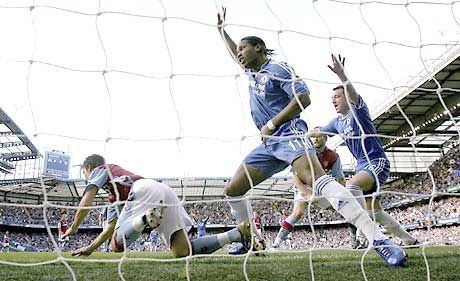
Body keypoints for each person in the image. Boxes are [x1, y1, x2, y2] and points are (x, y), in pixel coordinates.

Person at [216, 8, 407, 266]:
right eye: (237, 49)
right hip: (269, 143)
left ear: (259, 48)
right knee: (233, 190)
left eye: (243, 48)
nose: (238, 53)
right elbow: (232, 54)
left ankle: (379, 240)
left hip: (289, 133)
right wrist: (221, 31)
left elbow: (303, 98)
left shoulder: (277, 68)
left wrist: (272, 123)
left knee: (319, 181)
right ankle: (251, 239)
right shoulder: (252, 72)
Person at [316, 54, 418, 247]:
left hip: (376, 162)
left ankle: (366, 236)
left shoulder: (358, 111)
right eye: (332, 98)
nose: (334, 101)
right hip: (362, 166)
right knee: (376, 212)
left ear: (347, 97)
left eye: (337, 97)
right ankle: (409, 240)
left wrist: (342, 76)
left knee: (351, 186)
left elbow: (353, 93)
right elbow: (318, 132)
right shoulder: (337, 122)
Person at [63, 154, 252, 257]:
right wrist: (90, 248)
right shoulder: (114, 194)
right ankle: (236, 234)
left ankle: (145, 218)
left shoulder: (100, 170)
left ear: (88, 169)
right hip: (162, 191)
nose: (86, 178)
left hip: (142, 192)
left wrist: (74, 227)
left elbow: (87, 197)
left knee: (116, 247)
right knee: (183, 252)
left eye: (84, 174)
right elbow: (110, 229)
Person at [271, 134, 347, 249]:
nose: (315, 138)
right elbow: (295, 178)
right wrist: (307, 193)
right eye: (312, 137)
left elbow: (340, 178)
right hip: (303, 185)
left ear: (326, 138)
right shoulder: (303, 153)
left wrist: (341, 196)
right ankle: (276, 243)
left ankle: (356, 238)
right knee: (298, 213)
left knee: (345, 208)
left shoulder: (333, 156)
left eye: (318, 136)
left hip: (321, 185)